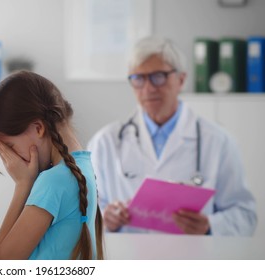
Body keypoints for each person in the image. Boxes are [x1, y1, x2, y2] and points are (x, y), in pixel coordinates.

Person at [87, 36, 257, 236]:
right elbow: (85, 213)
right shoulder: (106, 142)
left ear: (181, 79)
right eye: (138, 79)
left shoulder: (218, 141)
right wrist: (105, 218)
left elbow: (245, 216)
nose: (148, 88)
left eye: (158, 76)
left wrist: (210, 225)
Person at [0, 70, 103, 260]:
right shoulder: (82, 165)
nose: (12, 159)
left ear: (38, 128)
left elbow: (5, 260)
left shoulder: (54, 181)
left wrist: (23, 184)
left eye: (10, 147)